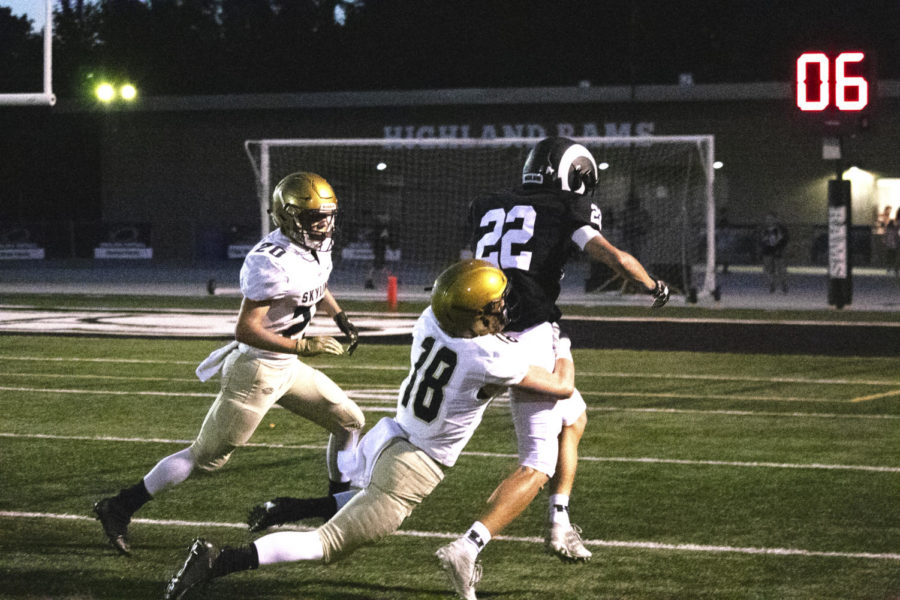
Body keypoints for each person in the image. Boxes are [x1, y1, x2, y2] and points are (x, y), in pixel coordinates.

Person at [161, 259, 576, 600]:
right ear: (477, 315)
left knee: (361, 500)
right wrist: (563, 346)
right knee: (329, 545)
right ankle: (219, 561)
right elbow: (562, 386)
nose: (504, 308)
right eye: (497, 303)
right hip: (416, 464)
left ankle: (290, 508)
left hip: (393, 436)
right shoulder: (490, 357)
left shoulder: (430, 320)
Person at [436, 136, 669, 585]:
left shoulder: (487, 203)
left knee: (575, 417)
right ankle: (468, 546)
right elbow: (613, 257)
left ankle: (559, 523)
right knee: (537, 462)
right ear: (575, 175)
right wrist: (653, 285)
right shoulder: (568, 208)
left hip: (485, 327)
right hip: (527, 337)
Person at [92, 172, 365, 556]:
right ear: (287, 218)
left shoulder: (315, 248)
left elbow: (316, 287)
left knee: (349, 421)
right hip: (257, 370)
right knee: (204, 459)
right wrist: (302, 344)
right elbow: (245, 330)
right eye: (313, 218)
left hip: (286, 367)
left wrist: (339, 317)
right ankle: (118, 506)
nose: (323, 225)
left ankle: (336, 510)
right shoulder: (270, 262)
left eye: (327, 216)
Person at [758, 212, 789, 293]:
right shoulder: (763, 229)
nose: (769, 220)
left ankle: (783, 284)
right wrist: (762, 247)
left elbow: (785, 239)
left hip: (778, 249)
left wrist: (781, 247)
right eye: (767, 219)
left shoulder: (781, 228)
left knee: (781, 269)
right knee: (768, 268)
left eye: (771, 218)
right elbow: (761, 240)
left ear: (775, 219)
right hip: (767, 250)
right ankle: (772, 283)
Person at [884, 207, 899, 277]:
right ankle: (895, 268)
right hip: (894, 243)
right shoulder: (895, 227)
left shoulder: (891, 224)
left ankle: (890, 268)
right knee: (894, 256)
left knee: (890, 256)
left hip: (890, 243)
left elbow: (887, 234)